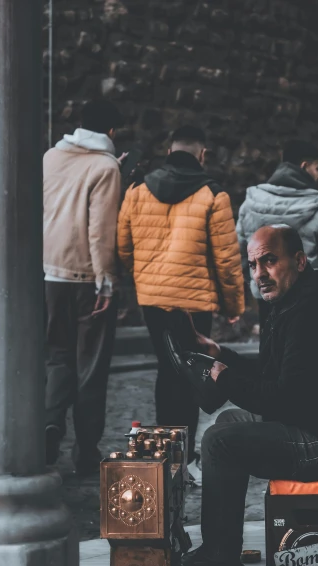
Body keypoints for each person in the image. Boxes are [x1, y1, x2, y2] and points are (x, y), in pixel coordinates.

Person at [174, 224, 318, 566]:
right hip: (317, 425)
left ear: (298, 261)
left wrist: (227, 379)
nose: (260, 274)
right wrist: (223, 357)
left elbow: (284, 399)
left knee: (219, 441)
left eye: (269, 260)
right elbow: (274, 377)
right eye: (253, 265)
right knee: (228, 423)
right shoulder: (295, 301)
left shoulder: (311, 310)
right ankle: (220, 547)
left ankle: (220, 564)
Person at [117, 125, 244, 463]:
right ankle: (184, 455)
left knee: (165, 365)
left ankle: (166, 449)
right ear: (202, 154)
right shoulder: (214, 195)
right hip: (194, 301)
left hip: (153, 299)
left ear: (170, 152)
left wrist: (142, 278)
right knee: (190, 368)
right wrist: (233, 304)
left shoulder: (138, 190)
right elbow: (227, 259)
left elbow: (123, 246)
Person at [44, 99, 124, 475]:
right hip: (84, 279)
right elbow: (99, 230)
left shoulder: (51, 157)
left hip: (48, 275)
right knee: (90, 368)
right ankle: (86, 452)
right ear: (111, 132)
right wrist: (105, 283)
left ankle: (50, 425)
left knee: (57, 359)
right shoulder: (106, 167)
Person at [237, 140, 318, 328]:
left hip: (267, 296)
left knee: (271, 353)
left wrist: (256, 281)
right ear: (304, 166)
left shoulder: (251, 203)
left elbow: (238, 253)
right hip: (310, 303)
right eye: (317, 168)